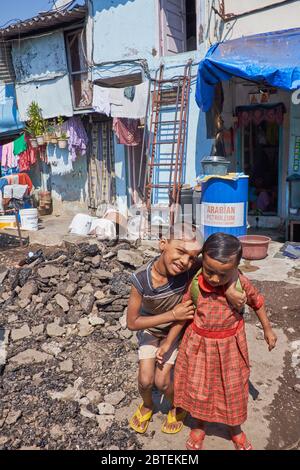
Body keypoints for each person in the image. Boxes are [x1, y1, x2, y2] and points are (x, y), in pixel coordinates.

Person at [126, 223, 246, 435]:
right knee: (145, 381)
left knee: (162, 382)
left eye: (192, 257)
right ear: (163, 244)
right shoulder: (141, 280)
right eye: (181, 252)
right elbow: (132, 322)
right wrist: (173, 314)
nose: (185, 261)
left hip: (176, 332)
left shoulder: (191, 267)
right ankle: (147, 405)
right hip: (150, 330)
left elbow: (227, 266)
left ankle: (177, 406)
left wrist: (229, 289)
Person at [169, 232, 277, 450]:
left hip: (230, 347)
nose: (215, 279)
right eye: (210, 271)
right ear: (202, 262)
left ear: (236, 269)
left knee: (234, 388)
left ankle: (235, 428)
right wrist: (168, 342)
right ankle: (200, 425)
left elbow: (257, 302)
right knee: (201, 388)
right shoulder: (196, 283)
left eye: (223, 274)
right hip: (199, 347)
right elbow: (185, 312)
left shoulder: (240, 283)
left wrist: (268, 329)